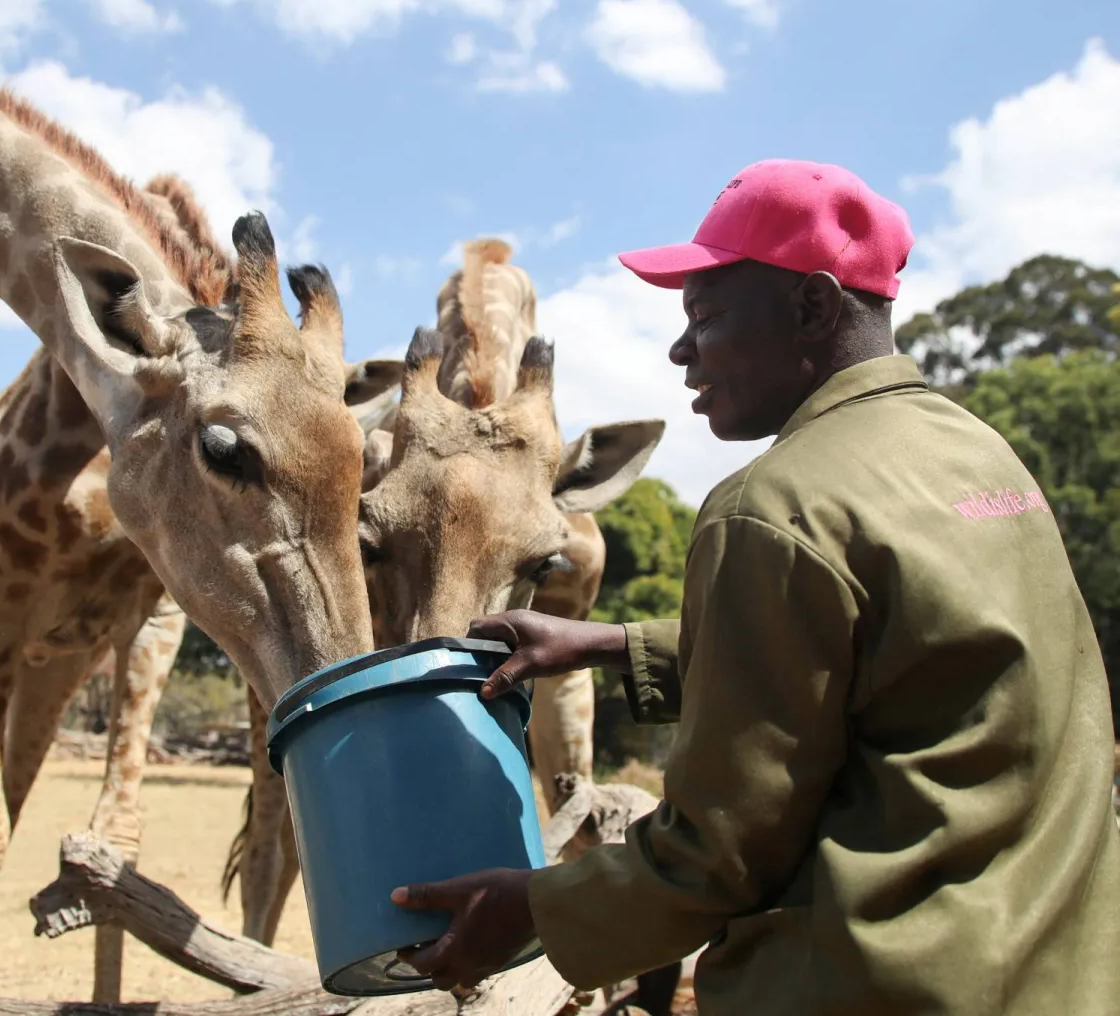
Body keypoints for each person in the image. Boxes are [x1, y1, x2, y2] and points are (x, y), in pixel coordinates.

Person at [390, 159, 1120, 1014]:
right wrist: (610, 644)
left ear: (811, 305)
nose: (681, 349)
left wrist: (528, 908)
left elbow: (713, 858)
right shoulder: (979, 455)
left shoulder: (770, 506)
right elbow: (889, 651)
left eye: (705, 315)